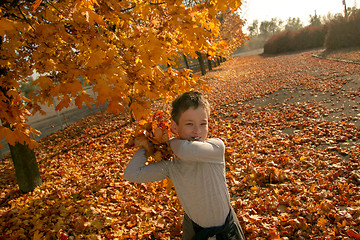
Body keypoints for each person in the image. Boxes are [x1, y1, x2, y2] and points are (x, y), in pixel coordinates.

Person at [123, 91, 246, 240]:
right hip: (196, 231)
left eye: (203, 123)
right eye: (189, 124)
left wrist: (167, 140)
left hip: (227, 231)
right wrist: (149, 141)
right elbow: (131, 173)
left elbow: (185, 150)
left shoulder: (215, 148)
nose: (197, 130)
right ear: (174, 127)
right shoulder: (172, 166)